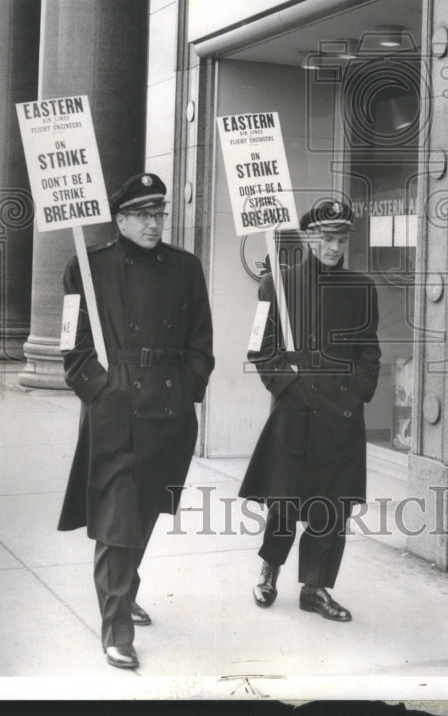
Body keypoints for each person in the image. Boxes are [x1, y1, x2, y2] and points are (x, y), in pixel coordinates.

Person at [57, 174, 214, 670]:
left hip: (169, 410)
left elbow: (201, 343)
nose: (153, 223)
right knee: (117, 522)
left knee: (144, 515)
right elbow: (72, 346)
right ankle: (116, 627)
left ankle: (124, 592)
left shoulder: (186, 268)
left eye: (159, 214)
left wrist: (189, 388)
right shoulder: (86, 267)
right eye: (143, 214)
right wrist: (102, 392)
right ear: (120, 218)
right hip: (116, 411)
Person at [239, 198, 381, 622]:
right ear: (309, 238)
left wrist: (357, 392)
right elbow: (258, 349)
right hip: (294, 412)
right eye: (325, 239)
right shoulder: (275, 287)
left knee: (331, 506)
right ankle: (269, 569)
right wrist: (290, 388)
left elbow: (369, 350)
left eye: (340, 239)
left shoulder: (363, 289)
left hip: (341, 416)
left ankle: (315, 589)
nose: (334, 247)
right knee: (284, 500)